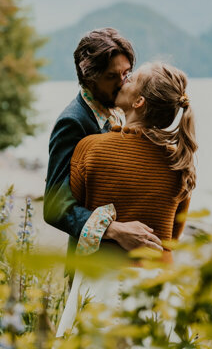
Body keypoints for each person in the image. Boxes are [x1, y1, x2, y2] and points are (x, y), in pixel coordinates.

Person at [56, 61, 198, 336]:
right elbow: (171, 239)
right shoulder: (180, 164)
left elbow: (73, 211)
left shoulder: (91, 149)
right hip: (157, 292)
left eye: (132, 79)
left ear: (139, 102)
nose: (125, 79)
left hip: (100, 287)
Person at [44, 28, 163, 279]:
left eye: (126, 73)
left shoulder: (118, 107)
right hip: (93, 268)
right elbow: (55, 206)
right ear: (89, 77)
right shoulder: (72, 122)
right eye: (112, 76)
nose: (123, 82)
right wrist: (116, 230)